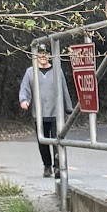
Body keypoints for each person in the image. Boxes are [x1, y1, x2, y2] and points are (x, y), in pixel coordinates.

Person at [19, 48, 73, 178]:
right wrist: (24, 100)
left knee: (57, 141)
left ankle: (57, 167)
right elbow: (24, 89)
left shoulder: (57, 71)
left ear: (49, 56)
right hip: (39, 113)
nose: (43, 56)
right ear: (36, 56)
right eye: (40, 53)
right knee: (42, 142)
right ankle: (47, 165)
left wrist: (68, 108)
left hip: (56, 113)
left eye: (46, 53)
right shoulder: (30, 72)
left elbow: (64, 89)